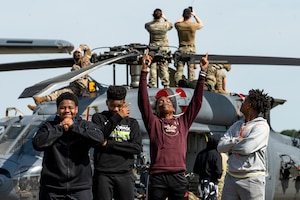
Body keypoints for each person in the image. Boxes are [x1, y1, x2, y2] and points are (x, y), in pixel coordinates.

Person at [138, 50, 209, 200]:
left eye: (168, 101)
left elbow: (196, 103)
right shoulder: (154, 123)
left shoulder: (182, 122)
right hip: (157, 177)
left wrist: (202, 74)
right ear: (156, 109)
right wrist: (144, 71)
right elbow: (143, 101)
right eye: (161, 102)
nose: (165, 102)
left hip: (178, 176)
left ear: (174, 108)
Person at [32, 92, 104, 200]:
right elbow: (38, 144)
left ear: (76, 109)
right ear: (57, 109)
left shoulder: (85, 126)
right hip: (52, 189)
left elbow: (99, 139)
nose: (67, 111)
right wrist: (60, 128)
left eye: (70, 107)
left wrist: (73, 127)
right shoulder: (48, 127)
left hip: (80, 188)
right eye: (63, 108)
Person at [217, 89, 271, 200]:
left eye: (244, 101)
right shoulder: (237, 125)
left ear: (249, 105)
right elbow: (220, 147)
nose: (242, 103)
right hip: (231, 178)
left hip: (252, 179)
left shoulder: (261, 127)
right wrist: (236, 141)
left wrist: (231, 147)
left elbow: (246, 148)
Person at [92, 85, 142, 200]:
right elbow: (99, 138)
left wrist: (108, 144)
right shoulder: (98, 118)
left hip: (125, 174)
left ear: (124, 103)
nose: (115, 109)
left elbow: (136, 148)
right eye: (112, 105)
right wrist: (118, 117)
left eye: (119, 106)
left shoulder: (132, 123)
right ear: (106, 103)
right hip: (103, 175)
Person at [27, 44, 92, 110]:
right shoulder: (83, 62)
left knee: (60, 93)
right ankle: (41, 106)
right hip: (79, 87)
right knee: (57, 93)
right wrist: (80, 48)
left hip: (79, 89)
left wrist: (84, 91)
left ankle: (42, 101)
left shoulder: (76, 67)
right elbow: (88, 49)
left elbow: (80, 80)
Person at [174, 7, 204, 86]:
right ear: (190, 16)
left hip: (181, 49)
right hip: (191, 49)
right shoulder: (193, 25)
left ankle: (178, 84)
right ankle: (191, 85)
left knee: (179, 69)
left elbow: (176, 22)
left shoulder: (179, 25)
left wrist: (183, 17)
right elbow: (201, 24)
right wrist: (194, 15)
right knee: (191, 70)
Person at [145, 8, 173, 88]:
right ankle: (166, 84)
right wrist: (165, 18)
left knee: (152, 66)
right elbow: (171, 25)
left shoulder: (150, 25)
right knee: (164, 67)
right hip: (164, 49)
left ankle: (152, 83)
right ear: (161, 15)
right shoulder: (165, 25)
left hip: (153, 49)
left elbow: (146, 26)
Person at [193, 133, 222, 200]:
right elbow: (218, 171)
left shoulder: (200, 153)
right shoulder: (216, 154)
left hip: (201, 182)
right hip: (212, 182)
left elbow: (195, 170)